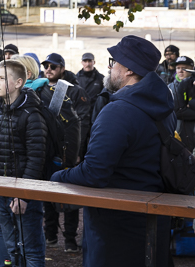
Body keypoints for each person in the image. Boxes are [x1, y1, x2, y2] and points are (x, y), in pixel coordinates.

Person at [51, 35, 174, 267]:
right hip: (153, 220)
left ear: (128, 69)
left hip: (116, 227)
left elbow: (93, 172)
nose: (110, 68)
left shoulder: (118, 111)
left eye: (113, 62)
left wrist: (58, 176)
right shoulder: (164, 106)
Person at [0, 59, 48, 267]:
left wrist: (24, 195)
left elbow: (36, 158)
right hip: (2, 191)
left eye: (2, 78)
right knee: (12, 247)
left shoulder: (31, 115)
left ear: (19, 82)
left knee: (31, 249)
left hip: (24, 194)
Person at [40, 52, 88, 252]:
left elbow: (83, 124)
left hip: (70, 150)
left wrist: (77, 152)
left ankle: (69, 239)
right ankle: (50, 235)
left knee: (69, 198)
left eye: (53, 66)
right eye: (46, 66)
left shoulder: (75, 91)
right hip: (48, 150)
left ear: (62, 68)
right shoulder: (40, 88)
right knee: (48, 194)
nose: (48, 69)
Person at [172, 56, 195, 151]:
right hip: (178, 132)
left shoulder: (192, 84)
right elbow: (177, 112)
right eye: (178, 68)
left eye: (184, 68)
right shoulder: (170, 87)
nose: (180, 71)